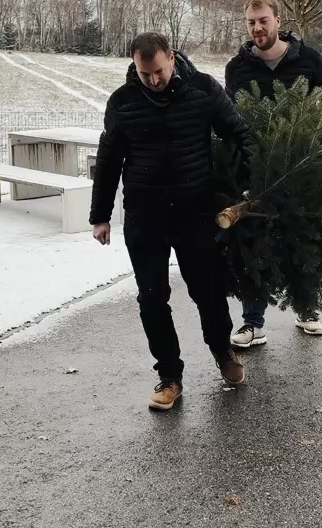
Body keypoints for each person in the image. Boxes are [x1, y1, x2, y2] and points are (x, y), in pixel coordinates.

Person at [90, 32, 251, 411]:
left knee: (208, 293)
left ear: (172, 58)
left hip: (195, 215)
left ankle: (222, 352)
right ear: (135, 65)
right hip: (145, 219)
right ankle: (169, 377)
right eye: (146, 75)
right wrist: (100, 216)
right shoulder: (123, 102)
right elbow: (109, 160)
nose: (154, 80)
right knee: (152, 300)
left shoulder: (203, 89)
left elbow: (238, 133)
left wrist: (250, 184)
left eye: (159, 72)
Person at [224, 0, 322, 349]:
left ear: (279, 20)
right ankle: (252, 322)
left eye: (264, 20)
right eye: (251, 22)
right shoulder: (237, 68)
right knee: (253, 243)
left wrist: (318, 139)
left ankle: (306, 308)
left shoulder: (308, 60)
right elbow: (230, 117)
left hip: (301, 169)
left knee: (302, 239)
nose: (258, 28)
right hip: (254, 172)